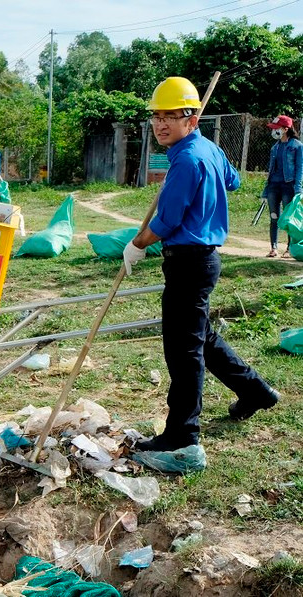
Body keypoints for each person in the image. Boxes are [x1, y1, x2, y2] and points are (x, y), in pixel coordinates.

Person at [122, 76, 280, 452]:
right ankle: (255, 391)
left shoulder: (187, 159)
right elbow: (233, 181)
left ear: (191, 119)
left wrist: (137, 245)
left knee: (184, 352)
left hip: (189, 263)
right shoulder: (207, 149)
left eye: (170, 117)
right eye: (157, 116)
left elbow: (166, 222)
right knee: (200, 339)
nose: (161, 124)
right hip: (202, 261)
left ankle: (182, 434)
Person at [263, 115, 303, 258]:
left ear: (286, 129)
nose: (274, 131)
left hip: (289, 186)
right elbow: (271, 170)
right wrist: (265, 190)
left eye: (276, 128)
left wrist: (298, 189)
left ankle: (289, 249)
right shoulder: (275, 147)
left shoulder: (297, 146)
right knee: (274, 217)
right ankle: (273, 248)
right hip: (273, 186)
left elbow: (300, 168)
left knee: (289, 219)